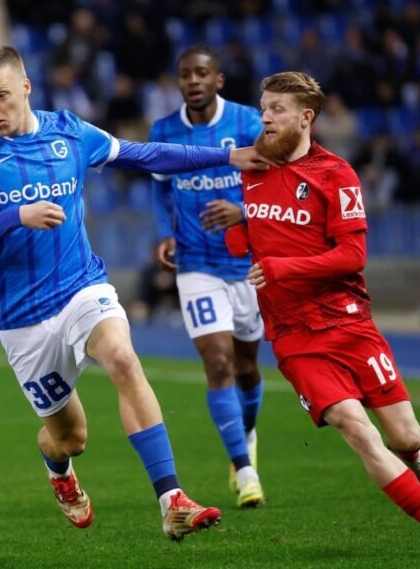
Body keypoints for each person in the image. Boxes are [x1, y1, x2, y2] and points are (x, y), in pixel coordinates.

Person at [0, 45, 271, 541]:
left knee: (121, 356)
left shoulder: (70, 132)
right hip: (22, 319)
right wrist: (18, 216)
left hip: (81, 288)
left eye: (2, 95)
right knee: (70, 438)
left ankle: (171, 500)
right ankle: (60, 473)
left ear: (26, 89)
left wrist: (227, 154)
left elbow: (145, 155)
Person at [224, 71, 420, 557]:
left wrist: (281, 266)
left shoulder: (337, 175)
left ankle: (413, 454)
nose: (265, 116)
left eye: (277, 109)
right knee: (357, 429)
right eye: (264, 107)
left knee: (405, 433)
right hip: (293, 334)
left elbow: (351, 257)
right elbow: (249, 242)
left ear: (305, 117)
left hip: (349, 322)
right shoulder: (252, 170)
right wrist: (235, 230)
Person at [150, 44, 266, 509]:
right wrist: (165, 233)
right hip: (196, 264)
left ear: (218, 79)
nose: (193, 81)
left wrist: (242, 211)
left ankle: (248, 432)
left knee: (247, 367)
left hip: (247, 264)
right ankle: (245, 468)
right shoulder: (165, 131)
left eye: (201, 73)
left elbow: (274, 182)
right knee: (217, 364)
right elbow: (159, 191)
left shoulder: (248, 125)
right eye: (184, 75)